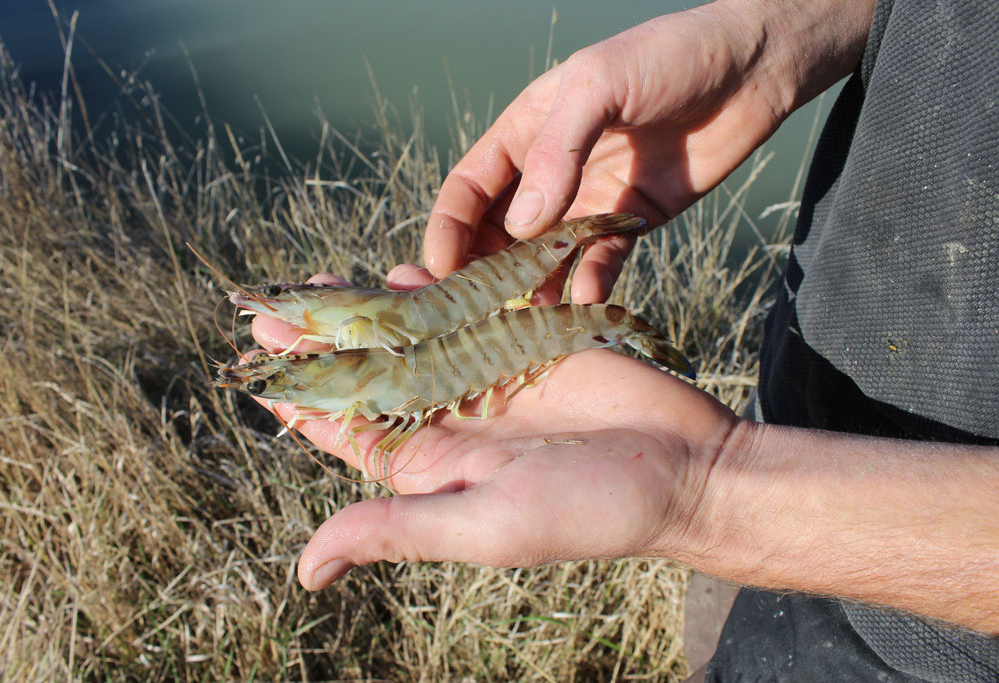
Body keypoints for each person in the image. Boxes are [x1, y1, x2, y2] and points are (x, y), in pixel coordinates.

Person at [251, 0, 998, 679]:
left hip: (946, 640)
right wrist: (778, 32)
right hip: (808, 407)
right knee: (732, 626)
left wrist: (717, 493)